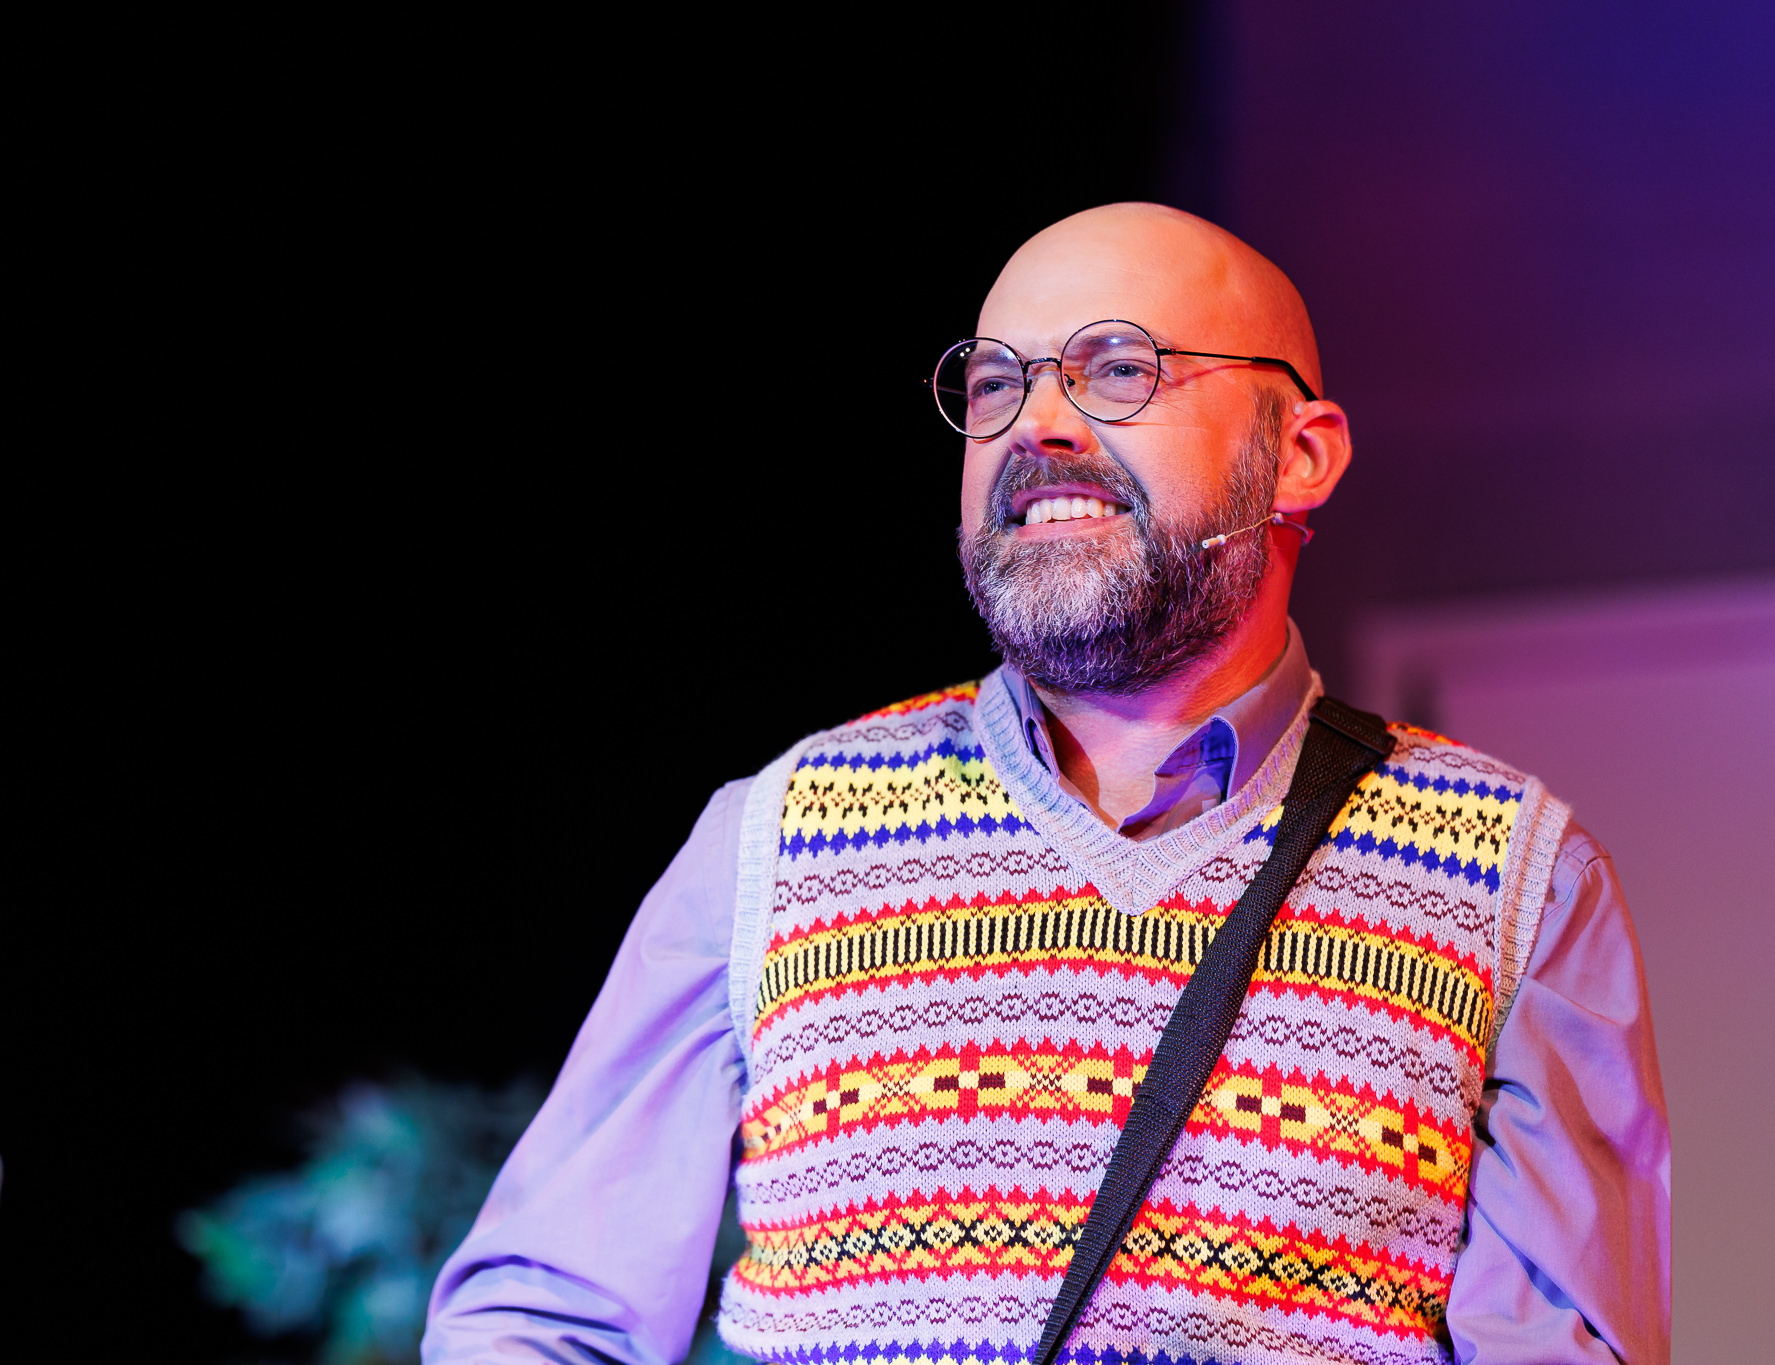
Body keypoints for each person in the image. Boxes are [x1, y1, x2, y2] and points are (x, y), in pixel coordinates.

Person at [423, 203, 1671, 1365]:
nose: (1038, 424)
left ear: (1299, 453)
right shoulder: (776, 839)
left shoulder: (1513, 877)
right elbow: (539, 1322)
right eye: (994, 383)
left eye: (1117, 368)